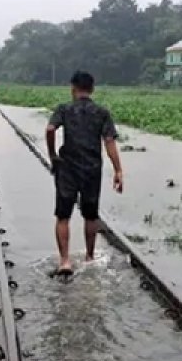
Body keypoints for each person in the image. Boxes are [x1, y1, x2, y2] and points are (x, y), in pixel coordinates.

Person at [45, 71, 123, 276]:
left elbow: (50, 129)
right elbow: (110, 142)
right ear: (92, 89)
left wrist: (53, 155)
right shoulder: (101, 112)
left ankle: (64, 261)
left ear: (73, 88)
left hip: (68, 168)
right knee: (91, 215)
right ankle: (89, 257)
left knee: (63, 216)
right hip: (91, 169)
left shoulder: (64, 109)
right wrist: (118, 170)